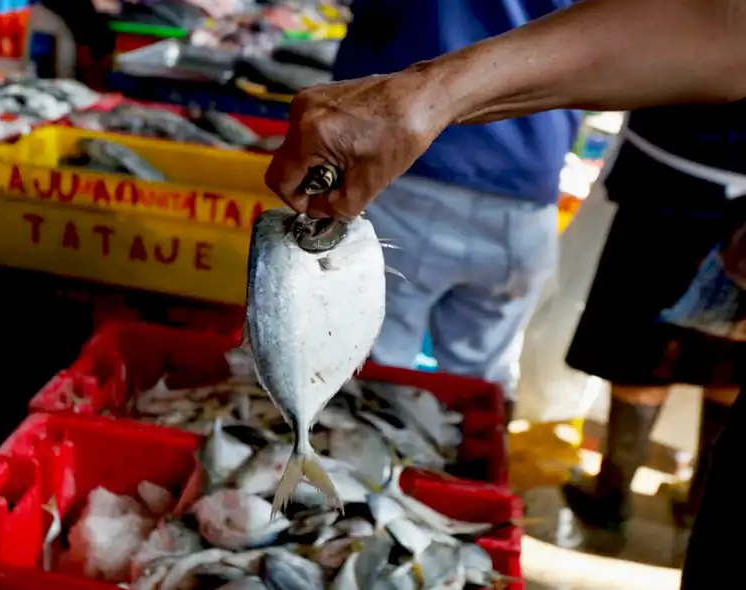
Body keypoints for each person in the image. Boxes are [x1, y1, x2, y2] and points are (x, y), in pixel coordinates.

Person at [262, 0, 746, 585]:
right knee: (478, 377)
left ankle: (384, 498)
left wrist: (424, 95)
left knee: (384, 372)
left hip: (433, 180)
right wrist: (421, 98)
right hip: (525, 190)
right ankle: (415, 504)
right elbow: (722, 30)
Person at [328, 0, 579, 422]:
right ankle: (468, 477)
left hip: (411, 171)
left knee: (373, 368)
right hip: (527, 189)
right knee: (481, 385)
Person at [561, 104, 746, 540]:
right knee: (731, 361)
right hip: (703, 189)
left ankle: (612, 496)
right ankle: (700, 504)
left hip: (674, 190)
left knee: (643, 352)